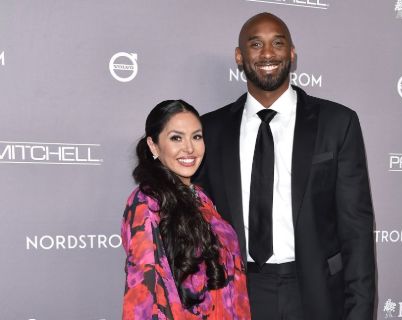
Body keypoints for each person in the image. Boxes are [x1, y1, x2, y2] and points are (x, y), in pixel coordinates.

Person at [194, 13, 375, 319]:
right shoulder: (210, 130)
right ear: (239, 57)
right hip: (238, 292)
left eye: (278, 43)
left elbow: (356, 233)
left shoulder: (337, 123)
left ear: (292, 53)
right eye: (255, 44)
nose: (267, 53)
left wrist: (359, 312)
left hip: (315, 292)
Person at [121, 100, 251, 320]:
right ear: (154, 146)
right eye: (176, 138)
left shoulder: (201, 198)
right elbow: (145, 294)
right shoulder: (147, 203)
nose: (189, 148)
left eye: (196, 136)